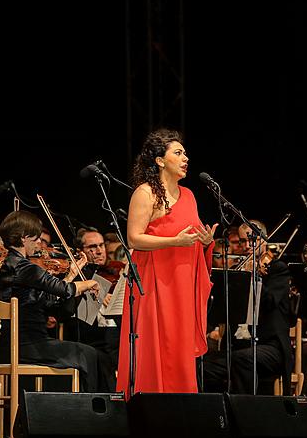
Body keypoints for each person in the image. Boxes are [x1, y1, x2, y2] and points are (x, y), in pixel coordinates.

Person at [116, 128, 218, 397]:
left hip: (182, 282)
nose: (185, 158)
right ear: (160, 160)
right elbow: (134, 239)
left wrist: (205, 242)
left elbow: (190, 237)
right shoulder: (145, 192)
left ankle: (181, 412)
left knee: (178, 348)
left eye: (185, 153)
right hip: (154, 281)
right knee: (154, 344)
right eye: (178, 152)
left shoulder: (189, 196)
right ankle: (149, 410)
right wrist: (174, 241)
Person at [0, 210, 115, 392]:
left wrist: (72, 274)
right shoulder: (25, 267)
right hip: (29, 345)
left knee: (91, 354)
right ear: (23, 238)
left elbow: (51, 298)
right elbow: (66, 289)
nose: (39, 244)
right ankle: (89, 411)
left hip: (14, 345)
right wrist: (88, 283)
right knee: (89, 353)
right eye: (35, 239)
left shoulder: (11, 264)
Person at [202, 219, 293, 394]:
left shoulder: (277, 269)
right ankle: (220, 413)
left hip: (271, 347)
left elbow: (269, 302)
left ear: (264, 240)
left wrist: (254, 278)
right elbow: (223, 309)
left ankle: (244, 413)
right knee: (203, 366)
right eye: (243, 241)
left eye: (252, 240)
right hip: (239, 347)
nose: (247, 246)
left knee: (243, 360)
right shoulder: (238, 271)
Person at [63, 227, 121, 370]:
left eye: (101, 245)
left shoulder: (115, 272)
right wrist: (99, 296)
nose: (100, 251)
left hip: (115, 336)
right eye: (92, 247)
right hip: (91, 338)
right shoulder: (77, 276)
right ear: (79, 252)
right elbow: (80, 318)